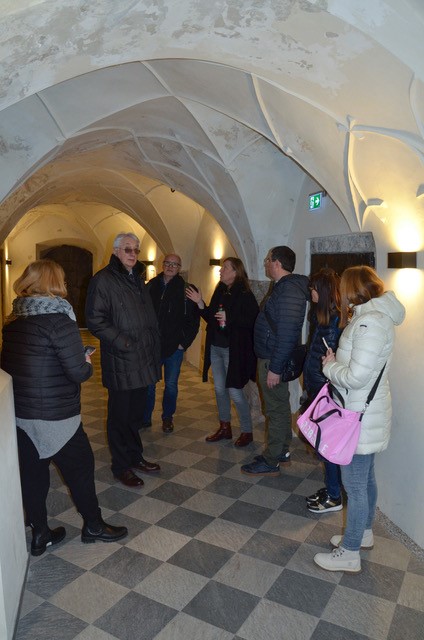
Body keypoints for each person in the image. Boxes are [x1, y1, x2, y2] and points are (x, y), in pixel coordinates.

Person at [1, 260, 127, 556]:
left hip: (22, 415)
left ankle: (40, 533)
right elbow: (78, 373)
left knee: (33, 476)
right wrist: (85, 361)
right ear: (54, 283)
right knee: (81, 469)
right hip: (57, 416)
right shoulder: (60, 321)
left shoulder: (14, 321)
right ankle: (93, 525)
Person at [314, 265, 405, 573]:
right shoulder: (373, 318)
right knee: (364, 480)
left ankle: (350, 552)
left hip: (359, 414)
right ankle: (363, 533)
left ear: (353, 289)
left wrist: (329, 365)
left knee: (354, 484)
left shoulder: (369, 323)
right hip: (365, 412)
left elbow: (355, 376)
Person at [85, 232, 161, 488]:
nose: (133, 253)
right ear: (116, 251)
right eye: (128, 249)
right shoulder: (103, 280)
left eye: (136, 249)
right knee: (119, 417)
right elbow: (95, 320)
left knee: (135, 415)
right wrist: (124, 342)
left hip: (142, 359)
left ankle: (135, 457)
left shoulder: (136, 278)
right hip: (122, 359)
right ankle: (121, 466)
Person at [241, 246, 309, 476]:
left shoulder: (289, 290)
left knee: (275, 410)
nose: (265, 263)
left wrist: (275, 368)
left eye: (268, 260)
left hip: (273, 360)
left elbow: (288, 334)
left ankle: (272, 460)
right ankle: (281, 451)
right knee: (279, 406)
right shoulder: (283, 287)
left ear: (277, 263)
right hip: (271, 358)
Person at [186, 257, 259, 446]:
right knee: (219, 389)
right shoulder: (220, 290)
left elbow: (252, 321)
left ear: (235, 272)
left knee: (234, 391)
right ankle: (225, 427)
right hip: (216, 347)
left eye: (225, 267)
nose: (221, 270)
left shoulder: (245, 294)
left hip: (233, 350)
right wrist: (200, 303)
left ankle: (247, 431)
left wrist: (229, 318)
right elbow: (212, 318)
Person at [142, 254, 200, 433]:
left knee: (171, 385)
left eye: (175, 264)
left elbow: (193, 321)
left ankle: (167, 417)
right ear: (162, 265)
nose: (170, 266)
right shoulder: (150, 286)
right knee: (149, 385)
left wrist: (183, 343)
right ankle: (145, 418)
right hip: (152, 346)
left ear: (179, 268)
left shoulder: (187, 289)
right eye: (168, 263)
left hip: (175, 347)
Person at [302, 268, 343, 513]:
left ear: (324, 291)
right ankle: (331, 488)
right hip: (317, 387)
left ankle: (335, 495)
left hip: (325, 390)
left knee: (327, 443)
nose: (311, 291)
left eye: (314, 288)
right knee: (322, 442)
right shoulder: (321, 316)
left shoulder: (336, 320)